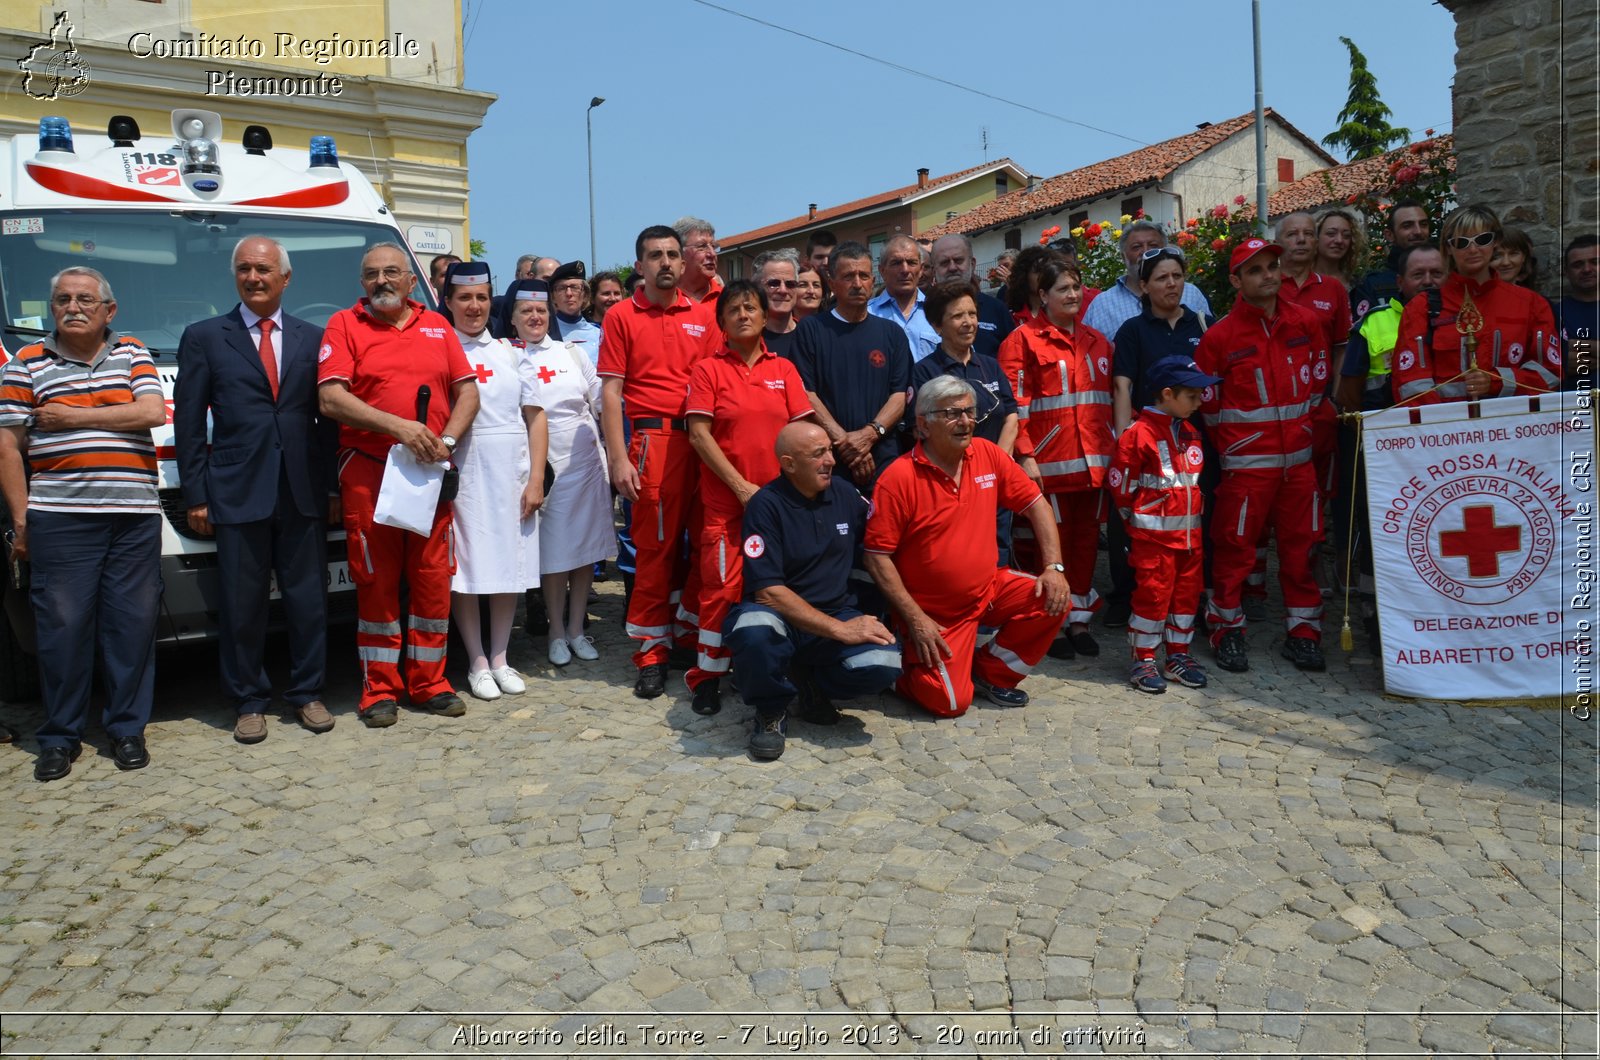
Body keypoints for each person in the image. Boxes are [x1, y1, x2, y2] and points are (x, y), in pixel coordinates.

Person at [0, 267, 165, 780]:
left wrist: (69, 417)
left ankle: (126, 730)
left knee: (131, 629)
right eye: (63, 299)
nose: (73, 307)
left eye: (86, 299)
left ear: (108, 311)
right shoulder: (25, 362)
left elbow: (153, 412)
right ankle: (60, 737)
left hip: (133, 518)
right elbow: (7, 444)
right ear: (52, 308)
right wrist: (22, 519)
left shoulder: (132, 351)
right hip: (60, 518)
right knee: (62, 631)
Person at [173, 236, 338, 743]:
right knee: (242, 605)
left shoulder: (314, 338)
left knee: (308, 601)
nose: (254, 277)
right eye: (244, 269)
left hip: (302, 491)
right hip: (237, 489)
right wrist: (196, 494)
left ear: (285, 279)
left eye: (264, 269)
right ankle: (248, 700)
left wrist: (331, 487)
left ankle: (308, 693)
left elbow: (328, 420)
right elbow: (188, 420)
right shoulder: (204, 336)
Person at [318, 242, 480, 727]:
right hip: (370, 471)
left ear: (413, 282)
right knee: (376, 584)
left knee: (433, 580)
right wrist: (400, 427)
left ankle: (431, 682)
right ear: (362, 283)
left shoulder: (436, 325)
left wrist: (446, 439)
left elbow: (467, 391)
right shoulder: (344, 325)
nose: (382, 280)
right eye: (372, 274)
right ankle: (379, 689)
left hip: (429, 472)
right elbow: (331, 399)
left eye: (392, 272)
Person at [864, 376, 1069, 716]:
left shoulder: (987, 454)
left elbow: (1037, 505)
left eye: (970, 412)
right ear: (923, 425)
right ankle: (899, 670)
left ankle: (989, 673)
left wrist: (1054, 567)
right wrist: (916, 619)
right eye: (953, 413)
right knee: (950, 703)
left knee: (1055, 597)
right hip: (935, 616)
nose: (966, 421)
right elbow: (876, 557)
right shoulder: (898, 478)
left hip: (989, 590)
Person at [726, 421, 901, 760]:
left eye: (830, 451)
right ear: (789, 463)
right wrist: (841, 629)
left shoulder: (847, 495)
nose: (831, 461)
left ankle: (811, 683)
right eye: (818, 454)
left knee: (884, 663)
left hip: (835, 612)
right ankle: (770, 709)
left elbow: (883, 541)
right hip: (780, 617)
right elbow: (768, 592)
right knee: (752, 630)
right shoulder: (766, 505)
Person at [1195, 237, 1328, 674]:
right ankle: (1227, 630)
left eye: (1272, 266)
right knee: (1233, 550)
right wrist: (1240, 450)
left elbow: (1316, 387)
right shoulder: (1219, 337)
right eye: (1255, 270)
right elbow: (1209, 408)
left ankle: (1304, 633)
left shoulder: (1307, 322)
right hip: (1247, 469)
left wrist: (1301, 434)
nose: (1268, 275)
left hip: (1300, 465)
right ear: (1236, 280)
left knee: (1301, 550)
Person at [683, 281, 815, 715]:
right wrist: (741, 488)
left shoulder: (785, 369)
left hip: (778, 508)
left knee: (778, 589)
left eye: (751, 308)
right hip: (727, 507)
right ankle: (706, 678)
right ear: (721, 321)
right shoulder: (708, 371)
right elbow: (699, 434)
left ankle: (771, 670)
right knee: (720, 590)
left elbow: (800, 434)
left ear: (764, 317)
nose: (743, 315)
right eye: (734, 309)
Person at [599, 225, 718, 699]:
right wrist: (617, 459)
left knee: (707, 549)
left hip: (701, 441)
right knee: (654, 554)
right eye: (656, 256)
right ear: (640, 265)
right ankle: (651, 653)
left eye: (672, 254)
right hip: (651, 443)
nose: (666, 262)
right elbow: (609, 392)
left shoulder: (704, 316)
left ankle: (686, 634)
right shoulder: (621, 316)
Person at [998, 259, 1115, 659]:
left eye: (1077, 287)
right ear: (1043, 295)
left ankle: (1078, 619)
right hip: (1048, 467)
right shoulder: (1022, 341)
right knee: (1050, 549)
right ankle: (1052, 621)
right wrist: (1026, 456)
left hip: (1093, 466)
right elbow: (1017, 407)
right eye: (1062, 289)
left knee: (1084, 546)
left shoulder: (1098, 342)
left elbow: (1105, 404)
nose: (1072, 295)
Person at [1333, 244, 1447, 652]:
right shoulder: (1374, 324)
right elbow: (1348, 393)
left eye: (1436, 272)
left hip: (1446, 450)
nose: (1429, 282)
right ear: (1400, 282)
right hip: (1389, 452)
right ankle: (1376, 616)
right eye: (1419, 274)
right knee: (1383, 530)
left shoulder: (1462, 317)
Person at [439, 263, 543, 701]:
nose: (474, 306)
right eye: (465, 298)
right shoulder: (440, 350)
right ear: (448, 302)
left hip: (510, 471)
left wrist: (536, 477)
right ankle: (476, 660)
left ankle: (501, 656)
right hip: (464, 471)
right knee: (466, 568)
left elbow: (535, 418)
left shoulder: (510, 352)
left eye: (482, 297)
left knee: (508, 566)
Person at [515, 279, 616, 667]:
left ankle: (577, 628)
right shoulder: (509, 356)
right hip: (543, 464)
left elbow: (600, 401)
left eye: (541, 311)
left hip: (585, 463)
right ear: (513, 318)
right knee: (555, 554)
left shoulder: (572, 354)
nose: (535, 317)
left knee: (585, 551)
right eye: (527, 311)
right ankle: (556, 631)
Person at [1108, 246, 1209, 628]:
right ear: (1145, 286)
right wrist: (1124, 443)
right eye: (1162, 278)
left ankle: (1188, 599)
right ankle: (1127, 597)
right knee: (1134, 519)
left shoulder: (1201, 324)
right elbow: (1122, 386)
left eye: (1177, 276)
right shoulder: (1132, 330)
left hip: (1190, 442)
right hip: (1146, 442)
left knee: (1190, 512)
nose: (1172, 284)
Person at [1109, 357, 1219, 694]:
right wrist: (1139, 526)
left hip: (1189, 537)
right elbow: (1121, 487)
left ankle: (1178, 656)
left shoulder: (1190, 432)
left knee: (1186, 598)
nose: (1200, 401)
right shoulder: (1137, 435)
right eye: (1193, 396)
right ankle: (1143, 659)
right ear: (1167, 394)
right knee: (1152, 599)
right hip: (1153, 540)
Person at [1394, 205, 1561, 406]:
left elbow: (1551, 373)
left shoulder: (1531, 304)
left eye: (1482, 240)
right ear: (1448, 247)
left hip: (1513, 426)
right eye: (1462, 242)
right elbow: (1410, 384)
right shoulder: (1421, 307)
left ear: (1496, 241)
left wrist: (1498, 382)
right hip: (1447, 432)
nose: (1473, 249)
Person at [790, 241, 911, 491]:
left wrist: (869, 435)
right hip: (830, 460)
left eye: (864, 275)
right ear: (832, 283)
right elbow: (805, 393)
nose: (857, 283)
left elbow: (899, 395)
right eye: (848, 276)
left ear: (873, 279)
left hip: (884, 460)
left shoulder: (892, 334)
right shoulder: (811, 330)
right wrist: (845, 442)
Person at [913, 281, 1019, 566]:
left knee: (999, 555)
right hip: (951, 485)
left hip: (993, 478)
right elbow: (927, 430)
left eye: (972, 314)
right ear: (937, 325)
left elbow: (1010, 413)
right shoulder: (925, 372)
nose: (969, 322)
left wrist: (998, 463)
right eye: (958, 316)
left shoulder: (990, 365)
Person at [1083, 221, 1211, 341]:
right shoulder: (1102, 305)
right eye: (1136, 247)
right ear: (1123, 256)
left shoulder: (1191, 294)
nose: (1145, 252)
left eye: (1153, 246)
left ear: (1166, 252)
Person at [929, 234, 1016, 359]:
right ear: (933, 270)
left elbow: (1012, 360)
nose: (952, 267)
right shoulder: (925, 312)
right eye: (944, 263)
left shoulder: (996, 309)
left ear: (973, 264)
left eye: (958, 260)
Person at [1350, 199, 1432, 321]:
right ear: (1389, 235)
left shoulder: (1445, 278)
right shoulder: (1372, 286)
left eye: (1423, 224)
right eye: (1407, 226)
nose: (1418, 231)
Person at [867, 235, 939, 362]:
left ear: (921, 270)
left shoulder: (940, 312)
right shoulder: (867, 314)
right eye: (896, 263)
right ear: (882, 270)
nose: (905, 270)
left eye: (911, 263)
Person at [1559, 234, 1599, 389]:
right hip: (1574, 408)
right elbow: (1557, 364)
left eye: (1595, 262)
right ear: (1566, 271)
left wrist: (1573, 346)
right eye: (1578, 265)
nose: (1587, 269)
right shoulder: (1554, 314)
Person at [752, 248, 803, 359]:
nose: (783, 290)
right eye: (774, 283)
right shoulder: (747, 339)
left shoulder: (810, 336)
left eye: (790, 284)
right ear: (757, 288)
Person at [548, 260, 602, 363]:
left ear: (585, 295)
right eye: (561, 288)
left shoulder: (598, 334)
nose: (569, 293)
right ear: (553, 297)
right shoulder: (545, 333)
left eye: (574, 287)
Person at [1002, 245, 1064, 328]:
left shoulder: (1067, 311)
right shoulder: (1010, 317)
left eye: (1049, 271)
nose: (1045, 276)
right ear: (1024, 276)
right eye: (1039, 271)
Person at [1313, 208, 1366, 287]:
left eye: (1346, 236)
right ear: (1316, 237)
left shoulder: (1358, 285)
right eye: (1331, 234)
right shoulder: (1299, 280)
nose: (1339, 240)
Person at [675, 217, 723, 305]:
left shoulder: (726, 300)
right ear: (679, 253)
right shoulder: (664, 299)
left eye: (713, 246)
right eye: (702, 246)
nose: (712, 254)